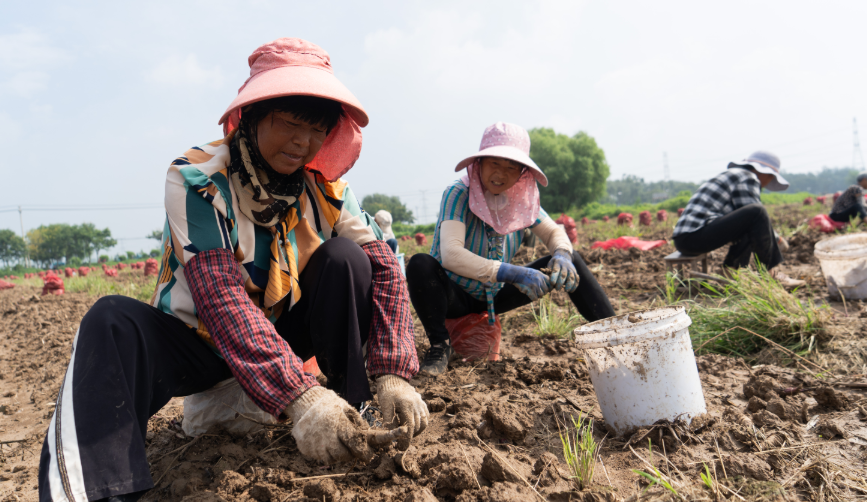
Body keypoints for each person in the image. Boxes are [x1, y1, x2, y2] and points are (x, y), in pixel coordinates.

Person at [39, 38, 428, 502]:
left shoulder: (324, 188)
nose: (303, 143)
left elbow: (385, 265)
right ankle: (103, 489)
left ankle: (354, 410)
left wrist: (393, 371)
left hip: (280, 334)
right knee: (111, 321)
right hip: (201, 345)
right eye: (289, 124)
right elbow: (220, 297)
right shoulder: (198, 178)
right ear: (253, 116)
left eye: (317, 131)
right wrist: (302, 398)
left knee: (347, 259)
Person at [406, 122, 615, 375]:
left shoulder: (521, 199)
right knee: (420, 264)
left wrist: (561, 254)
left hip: (494, 296)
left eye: (511, 167)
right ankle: (440, 345)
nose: (501, 174)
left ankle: (614, 334)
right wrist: (512, 273)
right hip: (455, 295)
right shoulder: (458, 193)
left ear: (521, 173)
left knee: (573, 261)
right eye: (494, 163)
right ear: (479, 163)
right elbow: (451, 254)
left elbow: (552, 231)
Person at [672, 151, 804, 287]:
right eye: (770, 178)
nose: (766, 184)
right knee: (757, 211)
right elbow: (755, 213)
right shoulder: (748, 177)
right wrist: (777, 240)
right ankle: (773, 275)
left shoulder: (736, 175)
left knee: (749, 224)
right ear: (765, 173)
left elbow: (746, 218)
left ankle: (731, 271)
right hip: (693, 237)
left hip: (687, 239)